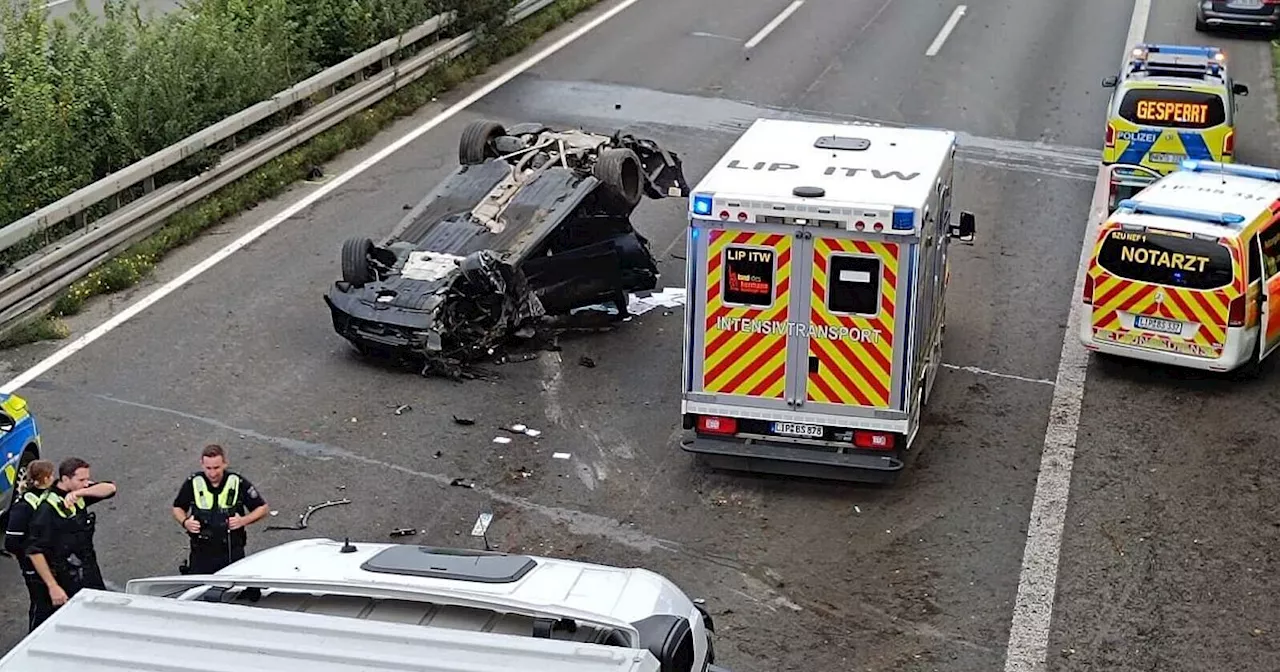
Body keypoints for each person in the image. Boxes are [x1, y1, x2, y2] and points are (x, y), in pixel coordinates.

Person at [23, 456, 117, 628]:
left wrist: (79, 492)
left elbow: (110, 488)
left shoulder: (79, 493)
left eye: (87, 478)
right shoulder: (47, 509)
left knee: (100, 617)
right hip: (65, 576)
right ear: (65, 479)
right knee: (65, 625)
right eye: (81, 479)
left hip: (87, 569)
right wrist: (53, 586)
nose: (86, 482)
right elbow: (35, 551)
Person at [171, 444, 268, 575]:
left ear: (225, 464)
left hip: (231, 551)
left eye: (216, 467)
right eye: (208, 468)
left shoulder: (237, 482)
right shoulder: (193, 482)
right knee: (197, 591)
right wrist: (185, 522)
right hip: (201, 552)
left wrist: (243, 520)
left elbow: (262, 508)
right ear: (202, 464)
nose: (212, 473)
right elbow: (178, 507)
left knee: (237, 591)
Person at [3, 459, 56, 632]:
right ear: (45, 478)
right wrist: (29, 555)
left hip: (50, 562)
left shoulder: (47, 496)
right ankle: (34, 636)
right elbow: (11, 542)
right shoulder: (24, 506)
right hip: (33, 566)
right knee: (41, 604)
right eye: (51, 475)